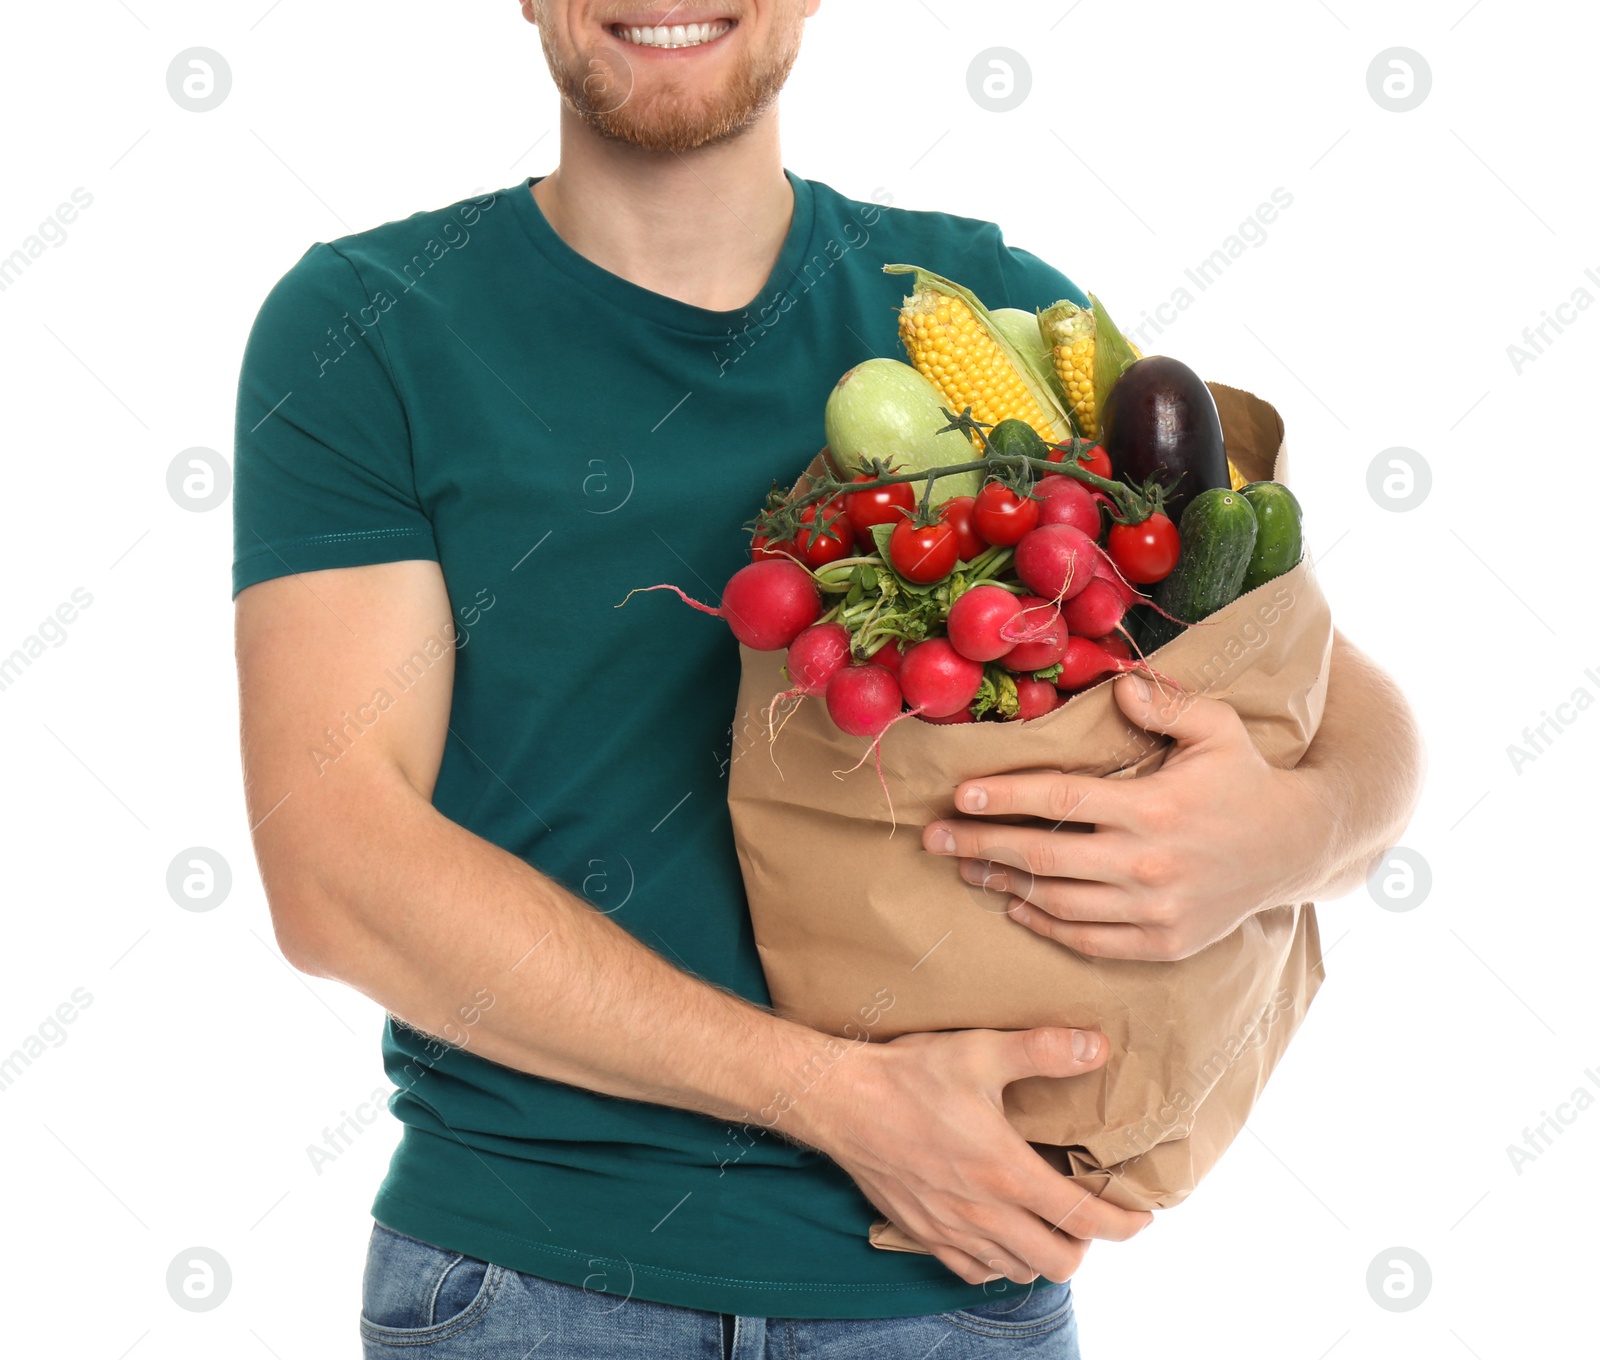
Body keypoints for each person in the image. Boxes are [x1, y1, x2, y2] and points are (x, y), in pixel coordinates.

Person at [231, 3, 1423, 1356]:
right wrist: (834, 1099)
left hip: (958, 1289)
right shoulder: (367, 326)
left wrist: (1287, 833)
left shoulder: (980, 304)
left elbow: (1334, 690)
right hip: (536, 1287)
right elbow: (333, 869)